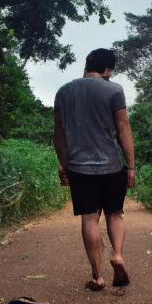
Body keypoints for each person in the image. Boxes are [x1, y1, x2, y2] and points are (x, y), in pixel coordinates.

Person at [54, 48, 135, 291]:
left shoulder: (63, 91)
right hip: (111, 165)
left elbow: (59, 136)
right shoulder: (114, 89)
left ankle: (97, 276)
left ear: (87, 65)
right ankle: (118, 256)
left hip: (79, 167)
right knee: (115, 213)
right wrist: (130, 166)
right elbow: (123, 129)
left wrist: (65, 165)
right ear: (108, 69)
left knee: (90, 218)